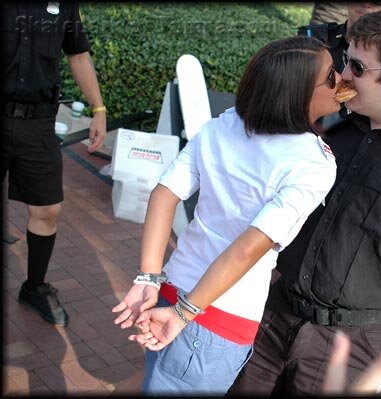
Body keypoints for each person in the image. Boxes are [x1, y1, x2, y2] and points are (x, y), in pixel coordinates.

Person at [228, 8, 381, 396]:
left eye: (357, 68)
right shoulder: (332, 123)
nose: (342, 76)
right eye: (346, 62)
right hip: (274, 311)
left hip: (349, 340)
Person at [112, 36, 339, 395]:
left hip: (172, 289)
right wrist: (186, 313)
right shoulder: (313, 163)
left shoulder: (227, 124)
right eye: (330, 77)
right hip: (216, 317)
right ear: (298, 94)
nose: (341, 81)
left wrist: (148, 277)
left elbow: (164, 193)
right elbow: (247, 248)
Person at [2, 2, 107, 326]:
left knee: (47, 210)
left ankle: (34, 287)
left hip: (38, 125)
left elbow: (77, 55)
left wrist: (99, 109)